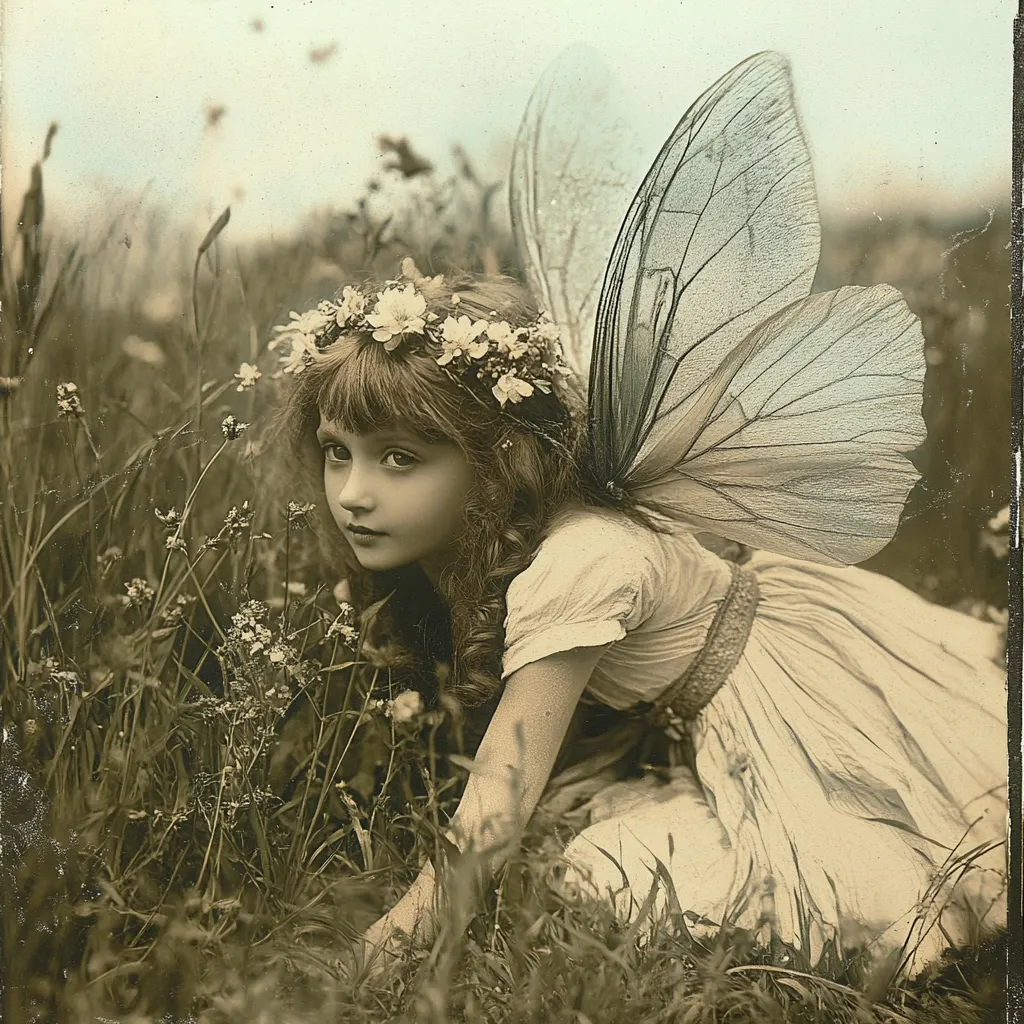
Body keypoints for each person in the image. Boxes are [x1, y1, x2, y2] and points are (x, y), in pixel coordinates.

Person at [265, 52, 1008, 978]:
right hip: (760, 656)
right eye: (339, 453)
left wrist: (390, 949)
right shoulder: (516, 532)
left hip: (791, 693)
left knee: (669, 878)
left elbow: (500, 795)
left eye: (400, 459)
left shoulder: (576, 562)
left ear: (499, 459)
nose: (354, 492)